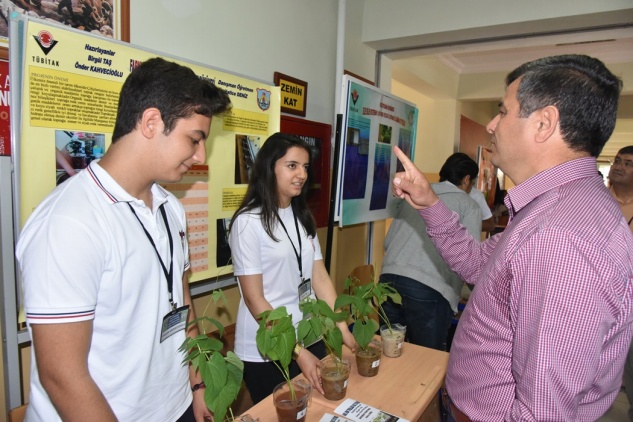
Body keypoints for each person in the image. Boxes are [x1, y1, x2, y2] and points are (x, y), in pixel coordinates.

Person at [391, 54, 633, 421]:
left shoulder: (560, 235)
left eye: (503, 111)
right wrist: (430, 203)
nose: (491, 125)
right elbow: (477, 264)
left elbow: (544, 412)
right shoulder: (552, 207)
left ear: (544, 123)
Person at [16, 57, 232, 421]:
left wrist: (197, 384)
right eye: (194, 139)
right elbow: (62, 377)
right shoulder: (70, 222)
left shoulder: (170, 208)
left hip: (176, 406)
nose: (200, 155)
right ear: (151, 122)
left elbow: (181, 301)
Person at [229, 132, 356, 404]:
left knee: (318, 410)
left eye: (305, 167)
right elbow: (254, 299)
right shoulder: (248, 222)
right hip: (268, 349)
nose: (302, 174)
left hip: (308, 336)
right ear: (269, 168)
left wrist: (342, 327)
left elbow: (320, 277)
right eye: (292, 166)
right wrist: (296, 351)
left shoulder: (301, 216)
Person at [379, 152, 481, 351]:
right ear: (467, 179)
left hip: (388, 281)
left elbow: (388, 241)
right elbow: (471, 261)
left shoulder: (416, 193)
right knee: (427, 358)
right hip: (429, 291)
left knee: (391, 353)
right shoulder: (469, 205)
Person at [609, 146, 633, 421]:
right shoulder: (597, 201)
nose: (619, 166)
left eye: (628, 163)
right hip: (598, 295)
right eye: (617, 161)